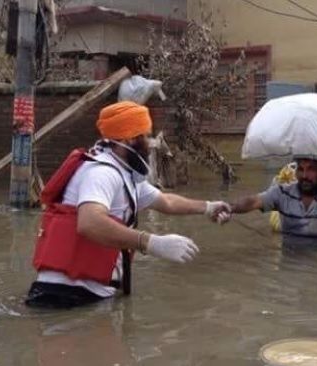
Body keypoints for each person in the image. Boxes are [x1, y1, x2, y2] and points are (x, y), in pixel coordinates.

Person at [26, 101, 231, 309]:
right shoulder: (101, 173)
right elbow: (90, 222)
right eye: (147, 135)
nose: (151, 143)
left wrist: (208, 207)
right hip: (65, 296)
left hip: (86, 294)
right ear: (130, 138)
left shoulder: (124, 173)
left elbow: (167, 201)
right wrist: (150, 243)